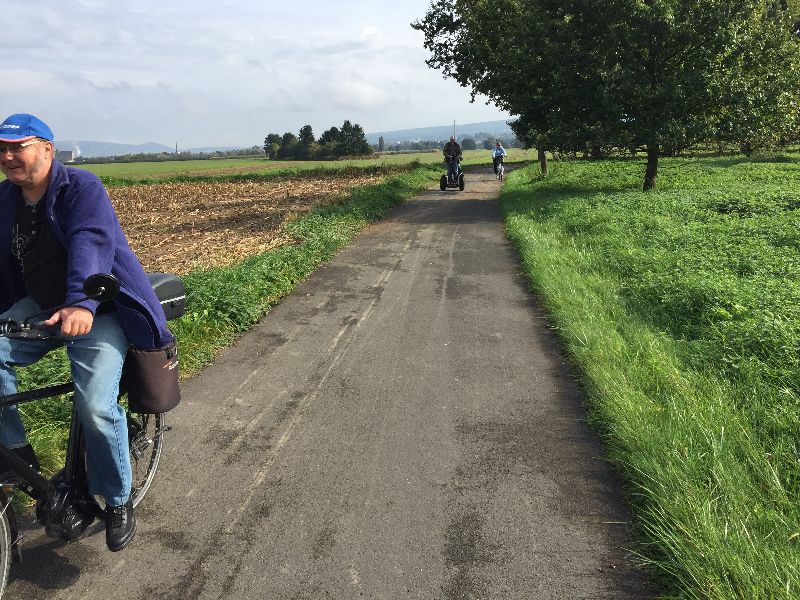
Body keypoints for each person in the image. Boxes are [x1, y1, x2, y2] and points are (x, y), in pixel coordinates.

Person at [0, 113, 174, 552]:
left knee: (95, 406)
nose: (8, 156)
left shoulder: (81, 188)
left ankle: (117, 499)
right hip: (41, 306)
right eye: (2, 149)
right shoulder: (6, 198)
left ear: (47, 149)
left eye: (18, 147)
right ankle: (17, 454)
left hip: (99, 309)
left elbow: (90, 242)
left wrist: (81, 302)